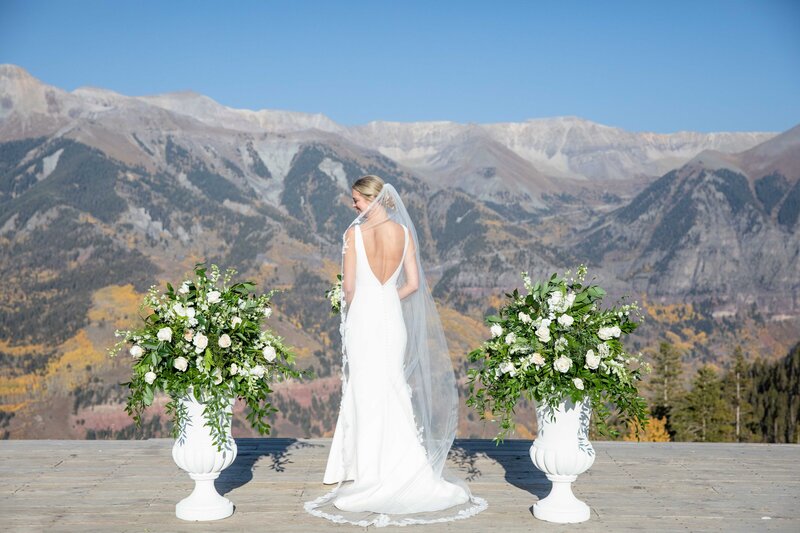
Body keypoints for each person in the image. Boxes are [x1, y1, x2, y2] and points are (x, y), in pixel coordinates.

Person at [304, 175, 487, 527]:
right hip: (391, 319)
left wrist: (358, 306)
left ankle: (363, 467)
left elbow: (350, 289)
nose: (352, 205)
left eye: (356, 200)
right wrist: (387, 298)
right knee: (392, 386)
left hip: (364, 320)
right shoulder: (403, 233)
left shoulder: (353, 234)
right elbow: (414, 284)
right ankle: (404, 463)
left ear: (372, 200)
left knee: (365, 388)